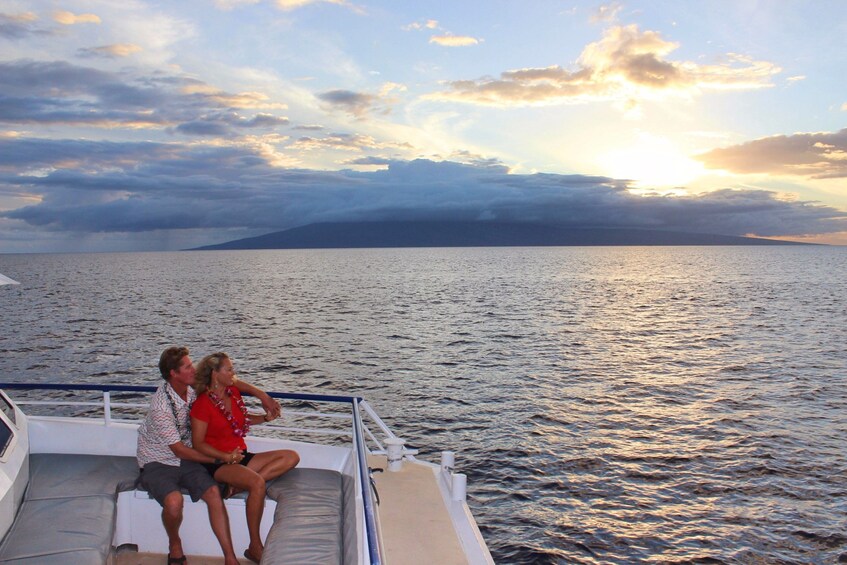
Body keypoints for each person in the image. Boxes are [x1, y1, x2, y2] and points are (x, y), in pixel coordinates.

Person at [137, 346, 281, 565]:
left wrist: (262, 395)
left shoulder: (193, 387)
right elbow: (178, 450)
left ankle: (230, 558)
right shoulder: (161, 407)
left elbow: (231, 381)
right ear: (173, 374)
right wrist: (221, 458)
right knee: (174, 502)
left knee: (214, 493)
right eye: (187, 366)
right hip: (159, 460)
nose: (193, 368)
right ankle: (174, 545)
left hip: (187, 458)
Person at [191, 352, 300, 564]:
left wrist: (265, 418)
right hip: (217, 462)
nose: (234, 373)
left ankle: (238, 487)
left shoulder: (232, 392)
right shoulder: (202, 404)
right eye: (229, 369)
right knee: (257, 483)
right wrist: (225, 456)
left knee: (291, 457)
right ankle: (254, 546)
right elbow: (198, 443)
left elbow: (240, 420)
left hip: (239, 456)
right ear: (215, 374)